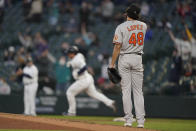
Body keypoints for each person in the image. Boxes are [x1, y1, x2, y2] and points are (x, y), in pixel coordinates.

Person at [109, 4, 147, 128]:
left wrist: (112, 63)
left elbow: (117, 46)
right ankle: (141, 122)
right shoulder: (143, 26)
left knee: (126, 91)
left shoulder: (121, 27)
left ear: (127, 15)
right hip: (137, 58)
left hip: (125, 57)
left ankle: (129, 120)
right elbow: (137, 23)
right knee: (138, 92)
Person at [63, 46, 116, 116]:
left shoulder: (77, 59)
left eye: (69, 53)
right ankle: (110, 102)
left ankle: (71, 112)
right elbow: (77, 53)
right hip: (88, 79)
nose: (68, 54)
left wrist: (78, 73)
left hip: (83, 80)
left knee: (69, 93)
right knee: (94, 94)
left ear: (73, 53)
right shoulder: (78, 55)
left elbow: (84, 67)